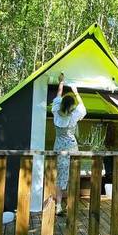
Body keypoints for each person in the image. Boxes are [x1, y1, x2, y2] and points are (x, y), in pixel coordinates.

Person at [52, 73, 86, 213]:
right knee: (73, 175)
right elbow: (83, 107)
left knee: (61, 176)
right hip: (72, 147)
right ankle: (70, 205)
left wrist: (61, 82)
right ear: (71, 107)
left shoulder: (55, 110)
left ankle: (59, 205)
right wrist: (76, 92)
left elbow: (59, 95)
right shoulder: (73, 117)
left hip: (59, 147)